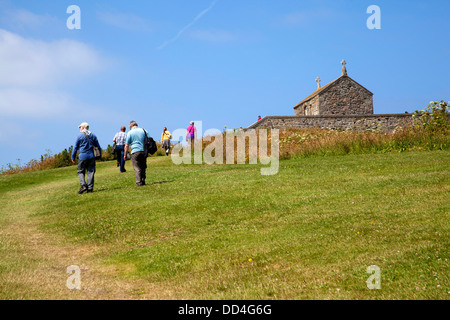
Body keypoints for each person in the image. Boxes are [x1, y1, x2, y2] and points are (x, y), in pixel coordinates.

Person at [71, 122, 102, 194]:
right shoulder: (93, 135)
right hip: (91, 156)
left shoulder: (79, 136)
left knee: (80, 171)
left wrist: (73, 157)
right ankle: (90, 188)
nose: (80, 128)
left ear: (83, 127)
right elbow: (98, 146)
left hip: (82, 156)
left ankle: (83, 185)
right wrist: (99, 155)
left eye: (80, 127)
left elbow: (75, 147)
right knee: (90, 171)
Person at [124, 121, 150, 187]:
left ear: (130, 126)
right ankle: (143, 179)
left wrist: (125, 155)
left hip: (135, 151)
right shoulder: (143, 130)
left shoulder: (129, 133)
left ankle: (139, 182)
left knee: (137, 167)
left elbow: (126, 145)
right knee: (143, 166)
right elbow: (149, 139)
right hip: (143, 150)